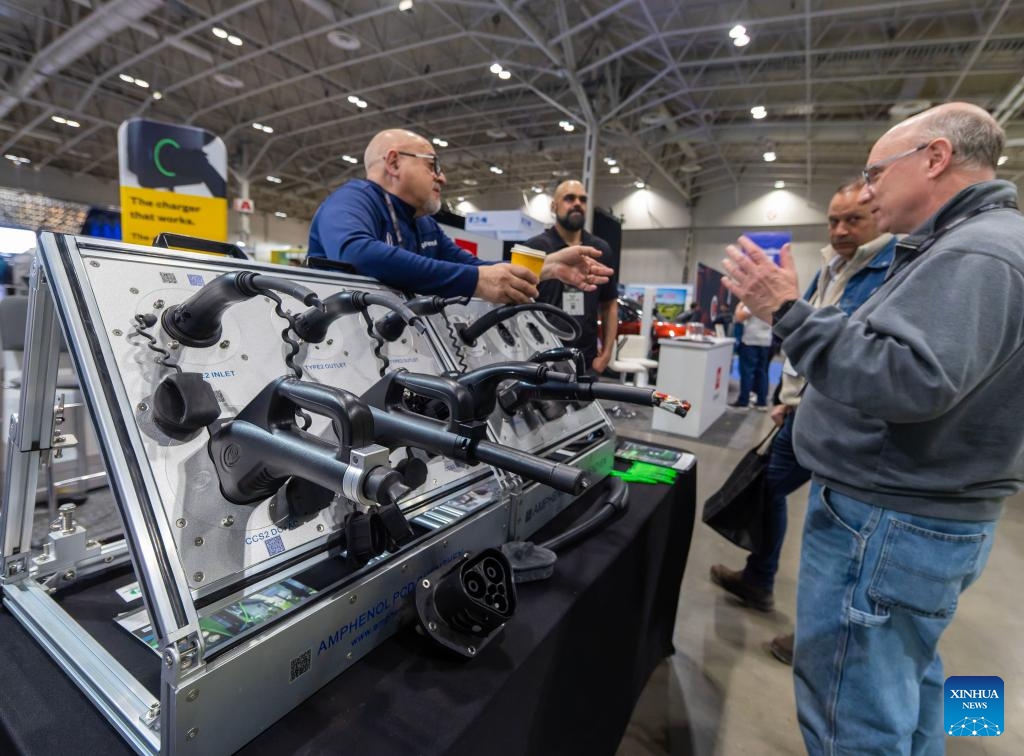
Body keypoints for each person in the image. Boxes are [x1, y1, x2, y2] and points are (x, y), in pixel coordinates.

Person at [720, 103, 1024, 754]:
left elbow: (909, 380)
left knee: (851, 714)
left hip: (888, 523)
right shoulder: (965, 246)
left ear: (935, 158)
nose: (866, 190)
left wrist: (786, 311)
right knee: (904, 684)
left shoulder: (978, 254)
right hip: (912, 515)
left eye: (875, 173)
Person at [710, 178, 897, 664]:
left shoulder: (891, 269)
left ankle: (824, 637)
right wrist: (788, 395)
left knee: (837, 524)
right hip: (807, 408)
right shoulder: (830, 267)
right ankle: (760, 579)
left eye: (853, 219)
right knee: (769, 488)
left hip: (852, 426)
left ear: (880, 216)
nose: (840, 229)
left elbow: (861, 356)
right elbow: (802, 339)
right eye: (834, 220)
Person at [307, 129, 612, 304]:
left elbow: (472, 266)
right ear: (394, 162)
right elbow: (357, 253)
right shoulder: (352, 201)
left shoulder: (423, 224)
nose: (442, 178)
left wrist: (549, 267)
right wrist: (475, 282)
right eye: (432, 165)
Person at [524, 180, 619, 373]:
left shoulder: (600, 250)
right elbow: (519, 305)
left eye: (582, 200)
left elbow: (609, 304)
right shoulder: (533, 248)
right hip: (540, 361)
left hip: (586, 362)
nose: (577, 203)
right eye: (569, 198)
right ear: (554, 206)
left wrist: (607, 353)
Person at [729, 303, 771, 409]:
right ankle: (762, 402)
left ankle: (744, 401)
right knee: (762, 372)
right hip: (765, 341)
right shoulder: (772, 303)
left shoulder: (754, 302)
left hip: (751, 341)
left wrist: (739, 305)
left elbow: (739, 317)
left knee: (747, 372)